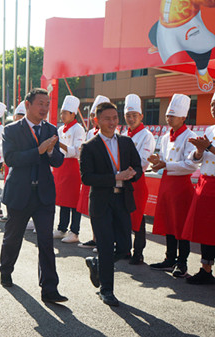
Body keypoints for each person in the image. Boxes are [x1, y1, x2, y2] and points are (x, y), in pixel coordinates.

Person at [0, 88, 68, 303]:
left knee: (46, 242)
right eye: (40, 104)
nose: (45, 108)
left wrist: (49, 151)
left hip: (44, 194)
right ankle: (6, 269)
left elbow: (57, 161)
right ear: (27, 105)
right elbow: (11, 159)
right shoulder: (11, 130)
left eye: (47, 104)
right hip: (20, 193)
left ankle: (49, 288)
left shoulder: (51, 129)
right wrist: (38, 150)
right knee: (13, 237)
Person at [80, 102, 142, 307]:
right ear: (97, 120)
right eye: (107, 118)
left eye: (115, 118)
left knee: (124, 247)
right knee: (106, 247)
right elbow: (87, 178)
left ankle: (97, 265)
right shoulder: (89, 146)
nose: (112, 122)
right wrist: (116, 177)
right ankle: (106, 290)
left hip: (122, 200)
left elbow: (138, 168)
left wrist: (131, 175)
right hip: (101, 202)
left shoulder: (126, 142)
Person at [148, 94, 198, 278]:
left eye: (173, 116)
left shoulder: (190, 136)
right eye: (168, 115)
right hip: (167, 183)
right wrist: (157, 161)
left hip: (181, 185)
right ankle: (169, 258)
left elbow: (191, 164)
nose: (169, 119)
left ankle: (182, 262)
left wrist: (166, 165)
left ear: (183, 117)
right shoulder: (165, 137)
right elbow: (163, 159)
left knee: (180, 225)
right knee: (168, 221)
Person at [183, 93, 215, 284]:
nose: (213, 107)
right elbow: (197, 159)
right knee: (205, 229)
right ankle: (206, 269)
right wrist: (199, 150)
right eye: (212, 104)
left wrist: (209, 147)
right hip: (206, 184)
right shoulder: (209, 130)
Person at [123, 94, 156, 264]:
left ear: (141, 116)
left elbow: (144, 160)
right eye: (128, 115)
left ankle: (139, 252)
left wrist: (125, 168)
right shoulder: (123, 133)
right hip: (123, 180)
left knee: (138, 217)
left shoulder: (146, 135)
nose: (131, 119)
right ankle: (125, 249)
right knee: (124, 216)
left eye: (134, 115)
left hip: (137, 181)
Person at [77, 95, 109, 249]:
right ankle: (95, 237)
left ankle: (104, 240)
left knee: (104, 212)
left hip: (103, 177)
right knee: (92, 211)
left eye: (94, 115)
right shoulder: (90, 133)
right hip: (91, 176)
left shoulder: (110, 134)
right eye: (91, 115)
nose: (91, 118)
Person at [53, 95, 85, 244]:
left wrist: (60, 145)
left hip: (72, 167)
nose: (62, 115)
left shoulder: (79, 129)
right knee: (63, 199)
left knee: (73, 200)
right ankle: (62, 228)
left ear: (73, 114)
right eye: (61, 112)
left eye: (65, 112)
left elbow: (78, 151)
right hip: (61, 165)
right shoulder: (60, 129)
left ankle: (75, 231)